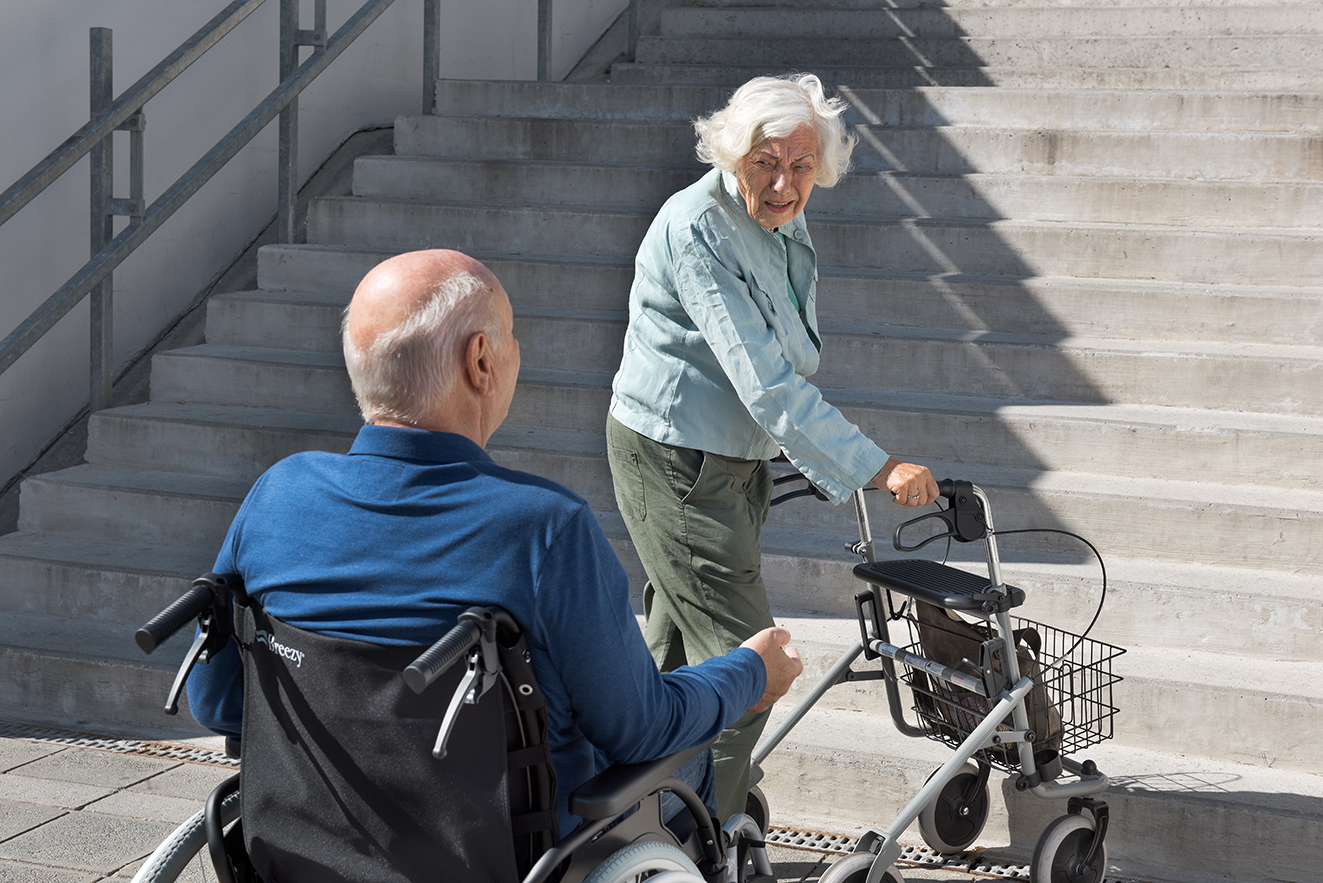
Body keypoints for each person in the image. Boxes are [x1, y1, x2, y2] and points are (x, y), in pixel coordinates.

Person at [186, 249, 804, 836]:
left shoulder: (277, 494)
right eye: (510, 338)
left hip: (314, 842)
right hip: (508, 849)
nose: (516, 353)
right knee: (687, 767)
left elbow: (216, 702)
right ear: (480, 361)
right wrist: (750, 673)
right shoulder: (543, 528)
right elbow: (641, 731)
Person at [606, 73, 939, 819]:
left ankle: (626, 826)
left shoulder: (779, 215)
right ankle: (706, 839)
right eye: (765, 163)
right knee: (750, 671)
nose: (784, 183)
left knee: (671, 657)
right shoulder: (698, 225)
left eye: (800, 166)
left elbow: (786, 355)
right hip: (678, 458)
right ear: (731, 154)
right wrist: (878, 467)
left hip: (730, 459)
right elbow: (768, 384)